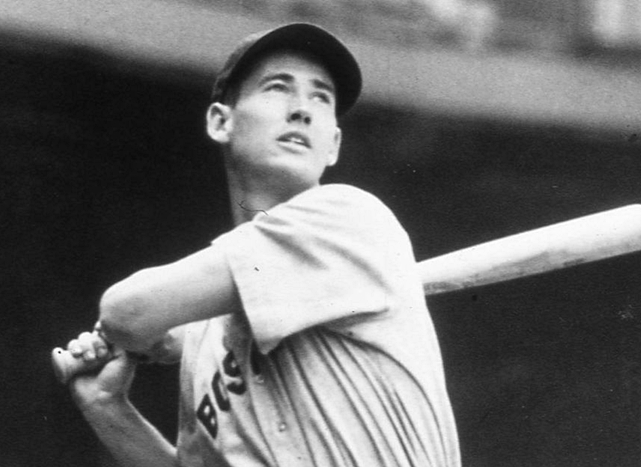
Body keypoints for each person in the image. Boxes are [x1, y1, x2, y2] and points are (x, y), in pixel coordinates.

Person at [62, 22, 460, 467]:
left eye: (321, 98)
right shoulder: (203, 342)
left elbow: (126, 312)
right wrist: (106, 408)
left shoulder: (346, 218)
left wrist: (150, 332)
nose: (302, 110)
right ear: (221, 121)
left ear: (333, 145)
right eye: (277, 88)